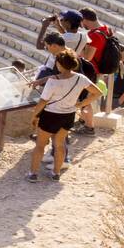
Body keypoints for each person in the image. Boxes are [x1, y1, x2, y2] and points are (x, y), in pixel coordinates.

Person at [29, 52, 101, 182]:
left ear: (59, 64)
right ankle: (56, 173)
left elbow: (43, 102)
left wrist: (34, 116)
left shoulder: (52, 82)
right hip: (68, 115)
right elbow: (97, 92)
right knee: (60, 144)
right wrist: (80, 104)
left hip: (50, 115)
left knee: (40, 145)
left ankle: (33, 174)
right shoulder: (81, 78)